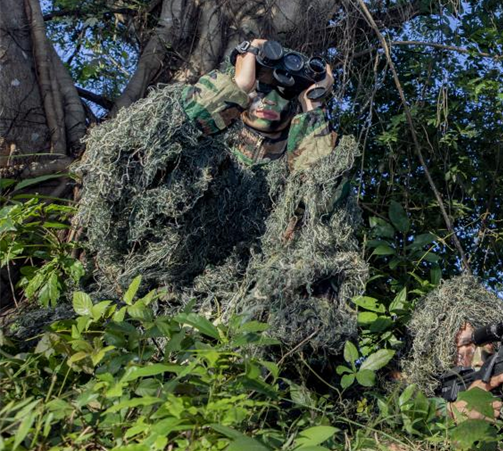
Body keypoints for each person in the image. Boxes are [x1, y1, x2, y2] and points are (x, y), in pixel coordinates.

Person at [49, 37, 368, 354]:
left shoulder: (298, 168)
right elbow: (131, 154)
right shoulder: (198, 147)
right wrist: (239, 84)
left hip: (242, 333)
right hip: (144, 309)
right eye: (262, 88)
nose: (269, 101)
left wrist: (313, 109)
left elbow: (321, 213)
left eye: (283, 93)